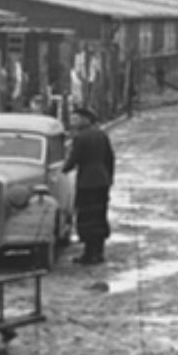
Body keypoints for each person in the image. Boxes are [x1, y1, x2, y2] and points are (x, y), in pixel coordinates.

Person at [64, 106, 115, 265]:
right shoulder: (102, 135)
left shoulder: (81, 138)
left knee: (86, 217)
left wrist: (63, 169)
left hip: (86, 182)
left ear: (86, 120)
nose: (73, 122)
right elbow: (110, 158)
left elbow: (74, 160)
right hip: (102, 181)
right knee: (99, 215)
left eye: (76, 118)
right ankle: (98, 252)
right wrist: (109, 177)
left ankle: (88, 253)